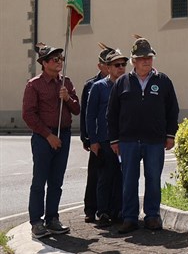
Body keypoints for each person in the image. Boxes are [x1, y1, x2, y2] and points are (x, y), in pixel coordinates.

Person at [107, 36, 179, 234]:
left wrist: (170, 134)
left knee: (153, 179)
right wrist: (114, 139)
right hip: (128, 141)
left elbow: (172, 110)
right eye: (141, 58)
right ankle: (129, 218)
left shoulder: (163, 81)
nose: (146, 61)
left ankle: (152, 217)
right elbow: (111, 113)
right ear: (134, 61)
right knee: (129, 180)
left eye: (149, 57)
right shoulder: (122, 82)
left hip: (155, 141)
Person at [22, 43, 80, 239]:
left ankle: (52, 218)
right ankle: (36, 222)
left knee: (56, 181)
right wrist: (48, 136)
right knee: (39, 181)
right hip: (43, 138)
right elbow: (29, 115)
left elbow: (77, 109)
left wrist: (68, 98)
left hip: (63, 134)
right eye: (55, 59)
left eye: (61, 59)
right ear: (44, 63)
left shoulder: (66, 83)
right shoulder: (34, 85)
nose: (59, 62)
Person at [86, 47, 128, 227]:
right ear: (108, 68)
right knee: (105, 177)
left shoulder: (128, 85)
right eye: (117, 65)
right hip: (104, 140)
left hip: (125, 139)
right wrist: (93, 140)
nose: (121, 68)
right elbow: (90, 115)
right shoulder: (98, 87)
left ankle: (117, 211)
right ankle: (102, 212)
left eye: (123, 65)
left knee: (121, 177)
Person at [79, 44, 115, 223]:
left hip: (111, 138)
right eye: (106, 62)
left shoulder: (119, 81)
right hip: (96, 138)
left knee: (112, 175)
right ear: (100, 65)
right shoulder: (91, 84)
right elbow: (86, 112)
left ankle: (110, 209)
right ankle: (90, 209)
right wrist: (87, 138)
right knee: (95, 174)